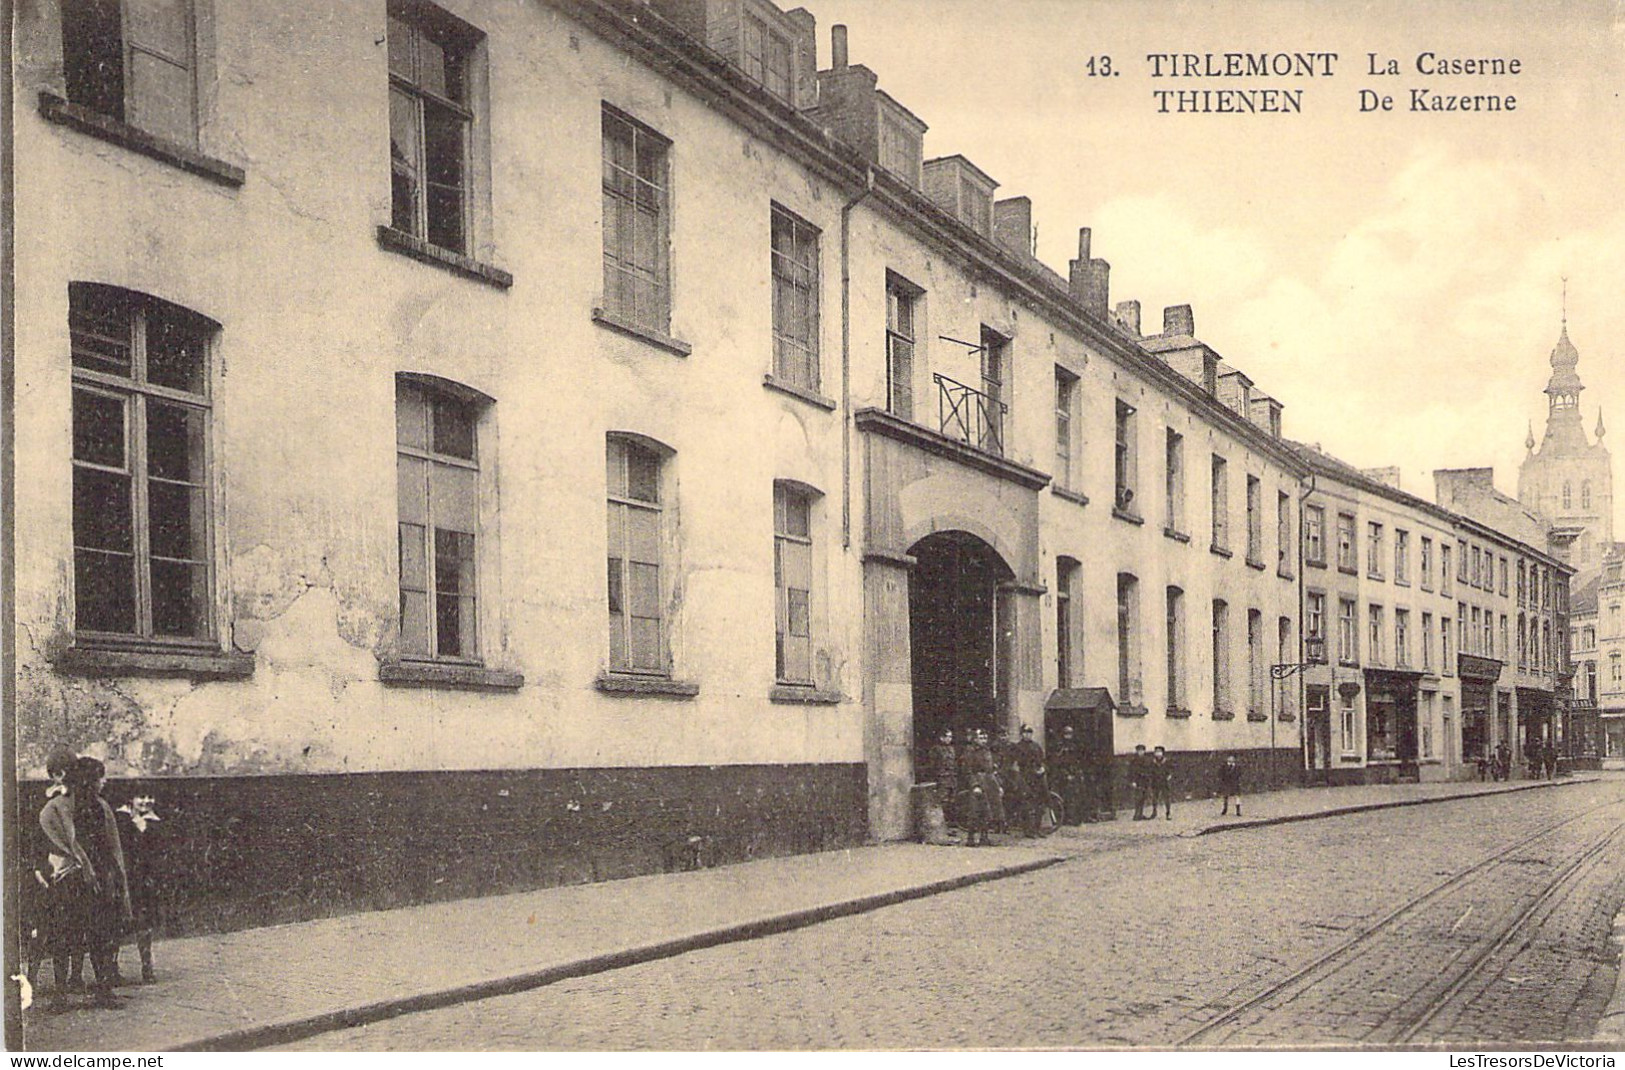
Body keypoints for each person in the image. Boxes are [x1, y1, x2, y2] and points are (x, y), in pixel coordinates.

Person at [40, 757, 132, 1008]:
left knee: (99, 935)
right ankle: (60, 996)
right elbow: (57, 839)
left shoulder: (100, 807)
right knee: (64, 936)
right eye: (100, 777)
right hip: (70, 878)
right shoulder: (58, 807)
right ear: (88, 781)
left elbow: (110, 845)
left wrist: (111, 875)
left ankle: (103, 991)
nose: (104, 782)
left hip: (98, 879)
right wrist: (80, 863)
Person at [113, 794, 161, 984]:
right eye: (141, 797)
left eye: (150, 797)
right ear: (130, 799)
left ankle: (146, 967)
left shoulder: (154, 822)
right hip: (123, 879)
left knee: (144, 924)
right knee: (116, 924)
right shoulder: (120, 819)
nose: (147, 801)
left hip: (143, 881)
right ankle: (112, 968)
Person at [957, 728, 1003, 846]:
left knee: (988, 811)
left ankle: (984, 837)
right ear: (975, 739)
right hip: (977, 782)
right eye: (981, 738)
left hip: (989, 782)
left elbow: (992, 769)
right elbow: (967, 771)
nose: (984, 740)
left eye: (985, 738)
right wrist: (975, 785)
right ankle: (971, 839)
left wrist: (998, 785)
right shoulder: (970, 751)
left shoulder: (987, 750)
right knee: (975, 811)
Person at [1012, 725, 1047, 836]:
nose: (1027, 735)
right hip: (1025, 777)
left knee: (1040, 804)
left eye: (1029, 733)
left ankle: (1037, 828)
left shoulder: (1036, 746)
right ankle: (1027, 830)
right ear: (1021, 734)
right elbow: (1013, 763)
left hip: (1037, 777)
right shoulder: (1017, 747)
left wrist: (1042, 768)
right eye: (1025, 733)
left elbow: (1042, 760)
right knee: (1026, 804)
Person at [1050, 725, 1085, 825]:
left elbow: (1078, 760)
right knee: (1065, 797)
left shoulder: (1074, 746)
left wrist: (1078, 772)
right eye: (1066, 734)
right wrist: (1065, 774)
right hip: (1064, 775)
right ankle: (1065, 819)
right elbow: (1058, 762)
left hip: (1074, 773)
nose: (1068, 736)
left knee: (1076, 797)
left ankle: (1075, 818)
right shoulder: (1060, 746)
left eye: (1070, 734)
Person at [927, 728, 959, 829]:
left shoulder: (951, 749)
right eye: (947, 736)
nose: (949, 739)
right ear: (941, 738)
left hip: (952, 778)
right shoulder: (936, 749)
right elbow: (933, 765)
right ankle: (942, 825)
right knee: (942, 801)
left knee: (952, 801)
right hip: (942, 778)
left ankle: (951, 824)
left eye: (951, 737)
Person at [1150, 746, 1173, 820]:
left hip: (1164, 782)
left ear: (1163, 753)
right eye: (1156, 752)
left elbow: (1170, 770)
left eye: (1160, 752)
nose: (1158, 754)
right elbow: (1150, 772)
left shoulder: (1166, 761)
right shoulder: (1153, 762)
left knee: (1167, 798)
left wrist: (1169, 776)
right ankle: (1154, 812)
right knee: (1154, 798)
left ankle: (1168, 813)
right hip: (1155, 782)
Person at [1129, 744, 1152, 820]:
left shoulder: (1147, 760)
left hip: (1145, 781)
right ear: (1137, 751)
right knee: (1138, 797)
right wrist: (1133, 781)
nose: (1141, 752)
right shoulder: (1134, 761)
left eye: (1142, 750)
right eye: (1139, 751)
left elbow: (1149, 770)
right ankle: (1136, 814)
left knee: (1143, 798)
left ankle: (1141, 813)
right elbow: (1131, 772)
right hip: (1138, 781)